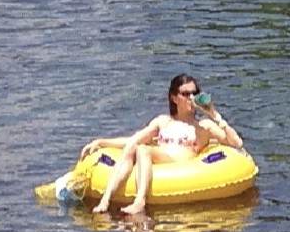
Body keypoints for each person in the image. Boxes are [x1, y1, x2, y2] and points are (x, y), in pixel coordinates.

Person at [81, 74, 241, 215]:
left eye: (195, 94)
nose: (191, 98)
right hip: (160, 158)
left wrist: (214, 114)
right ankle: (105, 199)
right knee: (136, 147)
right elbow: (133, 140)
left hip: (181, 163)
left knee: (144, 150)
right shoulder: (163, 122)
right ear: (174, 98)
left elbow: (236, 143)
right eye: (185, 94)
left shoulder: (204, 126)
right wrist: (102, 142)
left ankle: (140, 201)